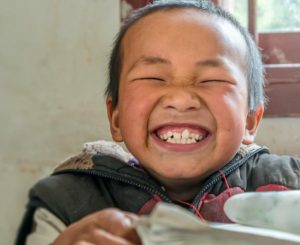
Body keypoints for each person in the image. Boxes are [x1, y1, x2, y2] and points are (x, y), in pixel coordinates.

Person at [16, 0, 300, 244]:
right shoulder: (65, 202)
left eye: (212, 80)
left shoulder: (290, 185)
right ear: (115, 116)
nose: (181, 98)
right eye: (153, 78)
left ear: (251, 120)